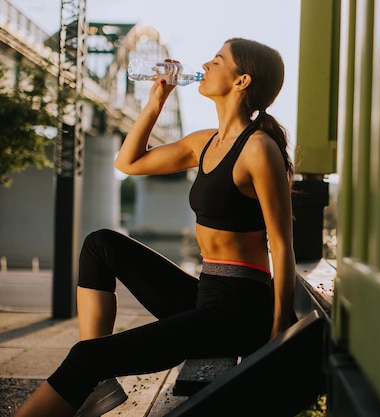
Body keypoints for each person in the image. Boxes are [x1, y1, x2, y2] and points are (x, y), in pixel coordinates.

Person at [14, 37, 296, 417]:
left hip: (239, 312)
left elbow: (281, 245)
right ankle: (98, 383)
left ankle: (90, 375)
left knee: (85, 357)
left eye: (217, 60)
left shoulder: (259, 149)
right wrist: (155, 103)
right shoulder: (205, 143)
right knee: (100, 244)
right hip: (207, 294)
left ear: (241, 81)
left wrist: (278, 329)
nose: (206, 65)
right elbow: (128, 163)